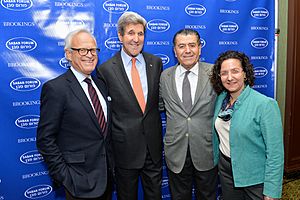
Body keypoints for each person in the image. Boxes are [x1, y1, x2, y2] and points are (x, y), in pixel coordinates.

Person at [36, 29, 113, 200]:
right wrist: (66, 177)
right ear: (69, 54)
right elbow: (45, 139)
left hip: (106, 179)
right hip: (78, 183)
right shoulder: (56, 89)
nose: (90, 55)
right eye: (82, 50)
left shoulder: (101, 85)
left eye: (93, 50)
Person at [97, 11, 163, 200]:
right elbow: (105, 114)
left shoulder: (156, 63)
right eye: (131, 33)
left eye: (140, 34)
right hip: (124, 150)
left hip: (153, 149)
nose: (136, 39)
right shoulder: (105, 70)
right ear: (120, 36)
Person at [210, 50, 284, 200]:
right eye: (224, 73)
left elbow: (275, 153)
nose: (229, 77)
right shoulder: (221, 99)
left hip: (255, 178)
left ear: (245, 74)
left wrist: (271, 190)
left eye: (235, 71)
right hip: (226, 172)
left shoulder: (265, 105)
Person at [159, 29, 219, 200]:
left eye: (192, 45)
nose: (187, 50)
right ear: (174, 51)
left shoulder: (214, 73)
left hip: (206, 151)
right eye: (182, 46)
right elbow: (160, 106)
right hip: (176, 152)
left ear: (200, 48)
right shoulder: (165, 76)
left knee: (207, 196)